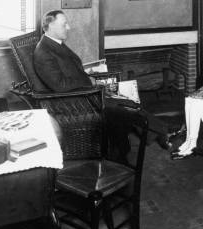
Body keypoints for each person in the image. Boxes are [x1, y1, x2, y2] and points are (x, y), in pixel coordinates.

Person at [33, 9, 172, 152]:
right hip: (73, 101)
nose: (68, 27)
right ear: (50, 26)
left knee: (127, 100)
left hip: (83, 92)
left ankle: (156, 134)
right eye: (64, 24)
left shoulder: (54, 44)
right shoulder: (44, 52)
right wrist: (88, 81)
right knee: (125, 104)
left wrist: (90, 76)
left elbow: (70, 71)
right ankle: (154, 135)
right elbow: (60, 85)